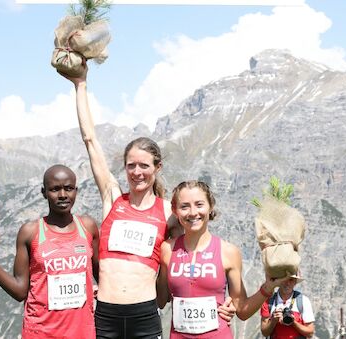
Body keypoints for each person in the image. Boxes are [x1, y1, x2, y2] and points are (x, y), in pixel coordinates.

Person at [60, 66, 235, 338]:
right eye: (131, 166)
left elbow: (195, 253)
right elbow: (90, 140)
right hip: (106, 312)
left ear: (157, 167)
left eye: (144, 165)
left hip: (145, 313)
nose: (137, 172)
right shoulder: (113, 197)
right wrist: (80, 85)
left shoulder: (169, 212)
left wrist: (225, 301)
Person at [0, 164, 100, 339]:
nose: (62, 195)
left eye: (68, 188)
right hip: (41, 333)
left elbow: (102, 277)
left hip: (82, 333)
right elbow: (19, 291)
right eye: (55, 189)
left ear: (76, 190)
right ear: (44, 192)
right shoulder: (30, 232)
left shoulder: (88, 227)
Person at [157, 180, 287, 338]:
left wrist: (267, 288)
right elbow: (160, 300)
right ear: (175, 210)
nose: (192, 212)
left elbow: (242, 310)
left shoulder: (229, 252)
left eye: (199, 204)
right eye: (184, 206)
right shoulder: (167, 250)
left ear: (210, 206)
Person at [260, 271, 315, 339]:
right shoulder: (268, 302)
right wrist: (273, 321)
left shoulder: (303, 301)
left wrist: (293, 322)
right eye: (284, 279)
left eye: (291, 280)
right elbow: (264, 332)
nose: (288, 283)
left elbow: (310, 333)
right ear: (279, 281)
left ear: (295, 282)